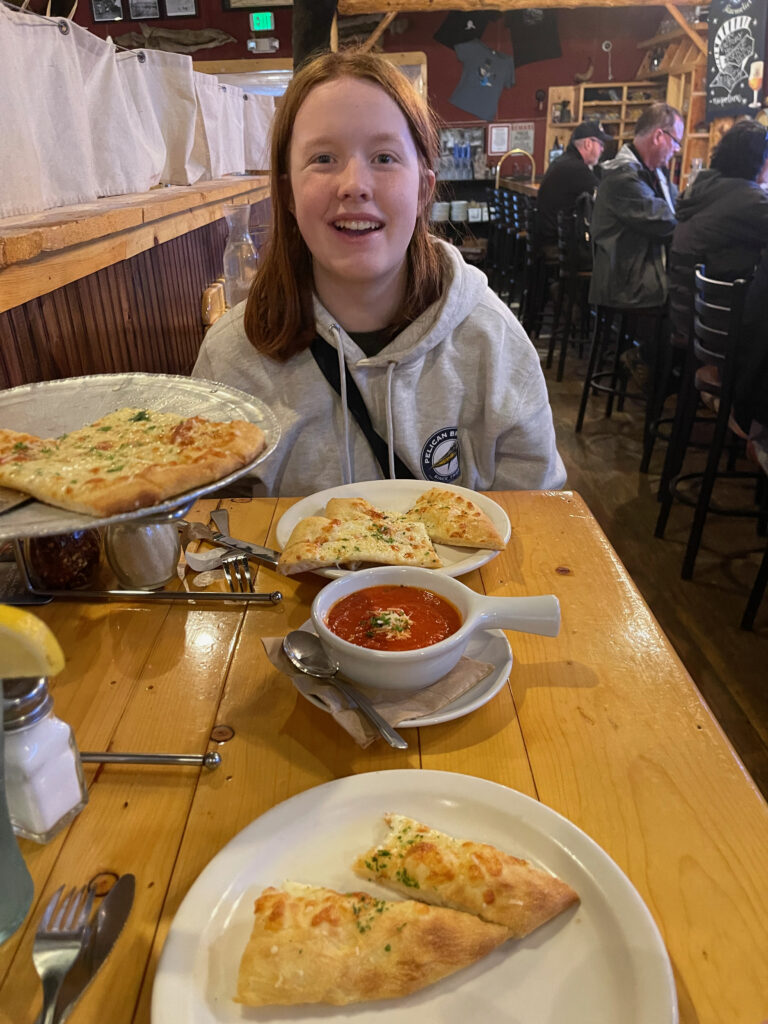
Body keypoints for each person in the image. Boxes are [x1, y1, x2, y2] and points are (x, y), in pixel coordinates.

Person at [193, 50, 565, 497]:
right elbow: (209, 539)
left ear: (424, 189)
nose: (354, 184)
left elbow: (543, 521)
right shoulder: (231, 355)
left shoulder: (491, 340)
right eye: (323, 158)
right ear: (288, 192)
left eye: (385, 157)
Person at [669, 119, 768, 342]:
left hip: (689, 315)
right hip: (720, 327)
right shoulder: (749, 199)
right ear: (760, 160)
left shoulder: (702, 187)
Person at [589, 102, 683, 311]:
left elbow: (676, 208)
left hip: (632, 272)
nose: (676, 150)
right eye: (676, 142)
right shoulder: (624, 177)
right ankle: (661, 344)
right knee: (689, 294)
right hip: (625, 282)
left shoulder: (651, 172)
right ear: (658, 136)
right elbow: (666, 224)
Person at [535, 121, 610, 257]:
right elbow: (605, 199)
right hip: (557, 245)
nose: (603, 149)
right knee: (610, 256)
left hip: (546, 238)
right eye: (601, 144)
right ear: (588, 144)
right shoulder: (576, 168)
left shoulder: (564, 161)